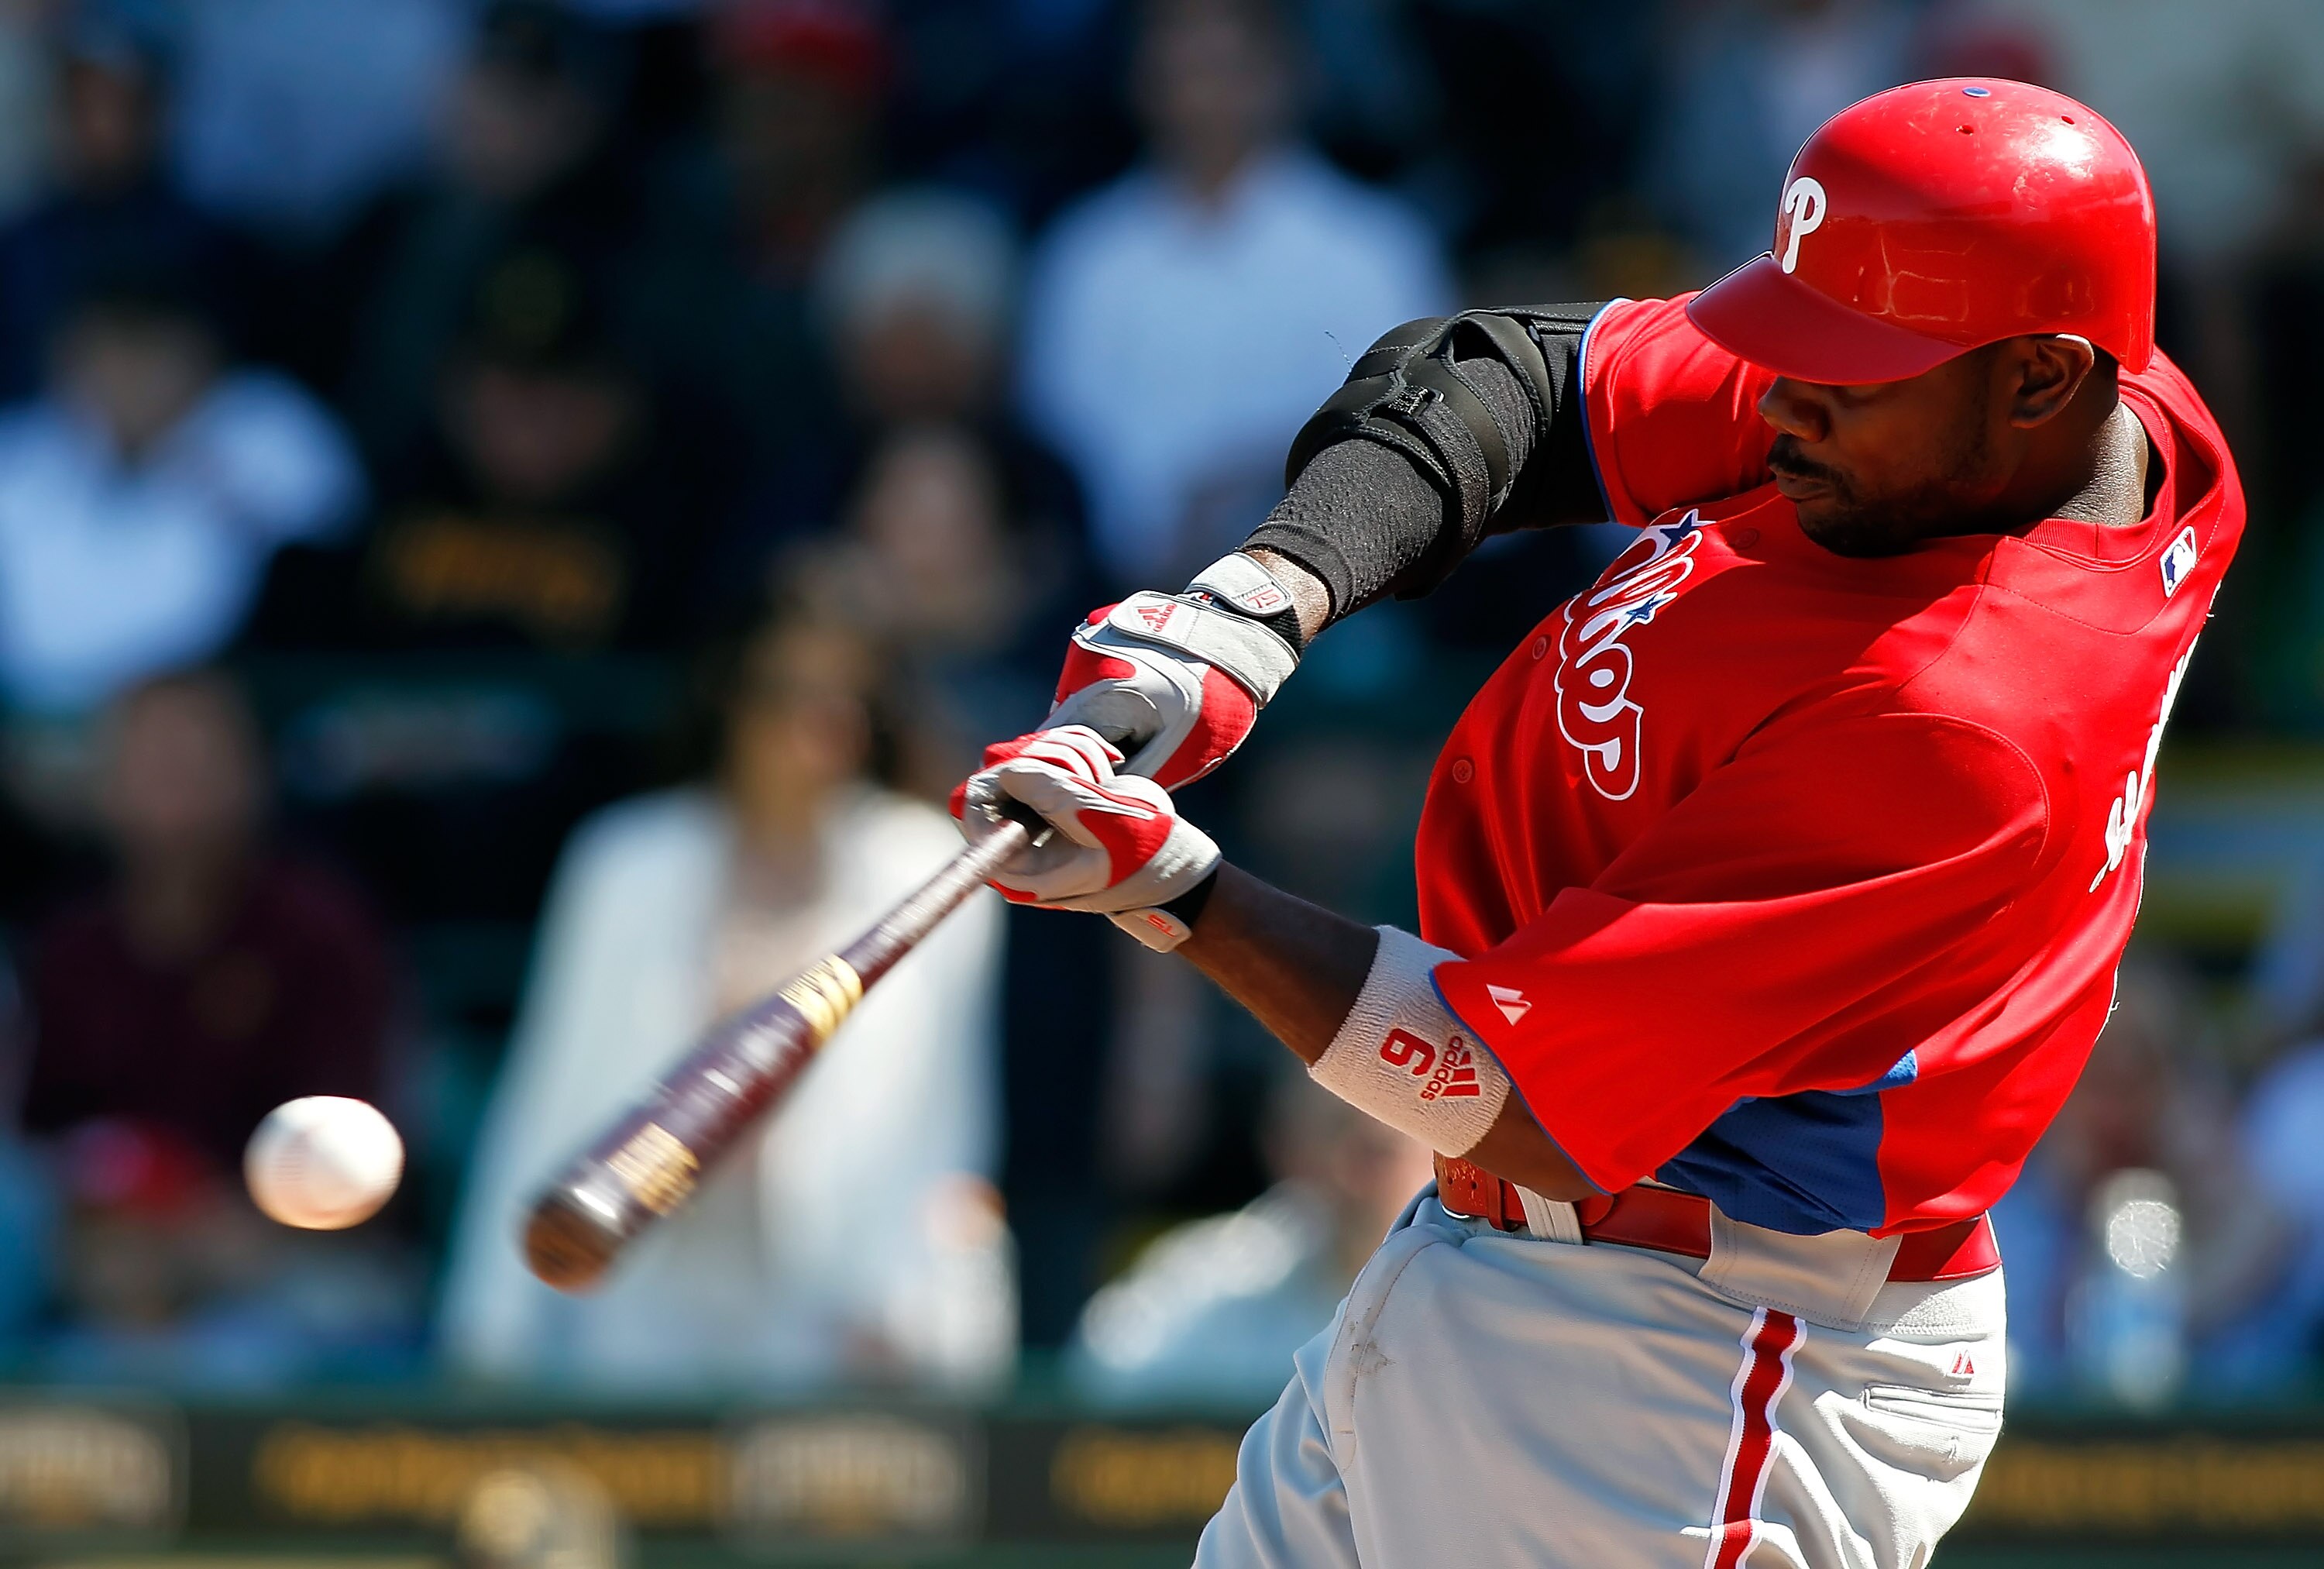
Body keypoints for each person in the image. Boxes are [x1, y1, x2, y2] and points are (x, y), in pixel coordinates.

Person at [954, 81, 2240, 1565]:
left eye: (1846, 376)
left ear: (2040, 381)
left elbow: (1524, 1099)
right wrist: (1261, 601)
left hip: (1695, 1361)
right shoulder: (2070, 419)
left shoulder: (1963, 724)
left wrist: (1175, 891)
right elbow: (1504, 375)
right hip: (1548, 1274)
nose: (1780, 403)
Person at [440, 608, 1011, 1393]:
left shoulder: (925, 864)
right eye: (785, 694)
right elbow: (554, 1082)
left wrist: (917, 1305)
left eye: (845, 700)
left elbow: (945, 1108)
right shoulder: (624, 862)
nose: (816, 725)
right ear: (730, 703)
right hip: (641, 1292)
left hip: (837, 1308)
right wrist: (492, 1324)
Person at [1017, 0, 1451, 588]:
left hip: (1331, 590)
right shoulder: (1086, 255)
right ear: (1141, 83)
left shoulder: (1374, 249)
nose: (1202, 96)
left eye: (1226, 68)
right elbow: (1055, 442)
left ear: (1285, 76)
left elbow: (1411, 430)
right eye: (1181, 70)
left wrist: (1257, 487)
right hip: (1115, 591)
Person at [17, 669, 395, 1176]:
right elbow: (42, 1134)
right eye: (152, 764)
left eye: (195, 763)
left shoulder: (319, 934)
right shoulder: (72, 948)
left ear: (251, 775)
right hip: (94, 1214)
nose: (176, 792)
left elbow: (356, 1143)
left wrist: (227, 1211)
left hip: (283, 1210)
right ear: (104, 785)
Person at [0, 278, 363, 717]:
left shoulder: (266, 430)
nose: (129, 382)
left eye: (148, 357)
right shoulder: (21, 453)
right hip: (40, 715)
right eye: (108, 359)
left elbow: (343, 554)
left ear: (198, 355)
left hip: (231, 706)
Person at [1068, 1074, 1432, 1406]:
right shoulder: (1216, 1276)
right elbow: (1097, 1386)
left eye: (1380, 1151)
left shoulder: (1466, 1290)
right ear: (1285, 1147)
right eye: (1335, 1134)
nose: (1351, 1174)